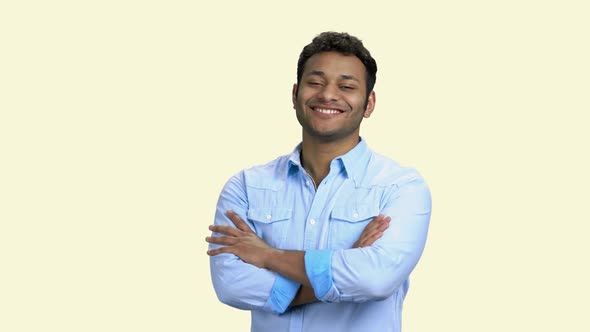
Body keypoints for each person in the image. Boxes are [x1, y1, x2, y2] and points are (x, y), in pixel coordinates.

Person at [206, 31, 432, 332]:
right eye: (315, 82)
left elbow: (375, 279)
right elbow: (230, 285)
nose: (328, 94)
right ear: (295, 94)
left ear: (369, 103)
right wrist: (348, 262)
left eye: (347, 86)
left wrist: (266, 256)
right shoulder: (246, 186)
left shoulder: (401, 187)